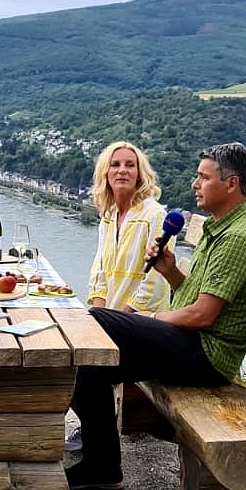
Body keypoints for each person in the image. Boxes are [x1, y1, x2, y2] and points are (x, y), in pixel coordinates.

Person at [64, 142, 246, 490]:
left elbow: (203, 316)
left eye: (203, 177)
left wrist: (151, 321)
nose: (195, 184)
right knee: (89, 364)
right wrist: (171, 272)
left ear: (231, 184)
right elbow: (197, 296)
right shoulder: (221, 228)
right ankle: (102, 468)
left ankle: (97, 463)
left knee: (97, 322)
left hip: (208, 356)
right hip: (193, 343)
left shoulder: (238, 238)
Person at [66, 142, 171, 453]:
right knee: (73, 358)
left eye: (130, 164)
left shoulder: (154, 214)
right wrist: (98, 312)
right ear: (105, 173)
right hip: (113, 320)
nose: (122, 170)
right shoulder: (109, 215)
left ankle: (98, 446)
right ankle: (93, 431)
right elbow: (99, 269)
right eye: (115, 165)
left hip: (141, 324)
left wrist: (120, 317)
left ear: (140, 174)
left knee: (83, 369)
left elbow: (156, 282)